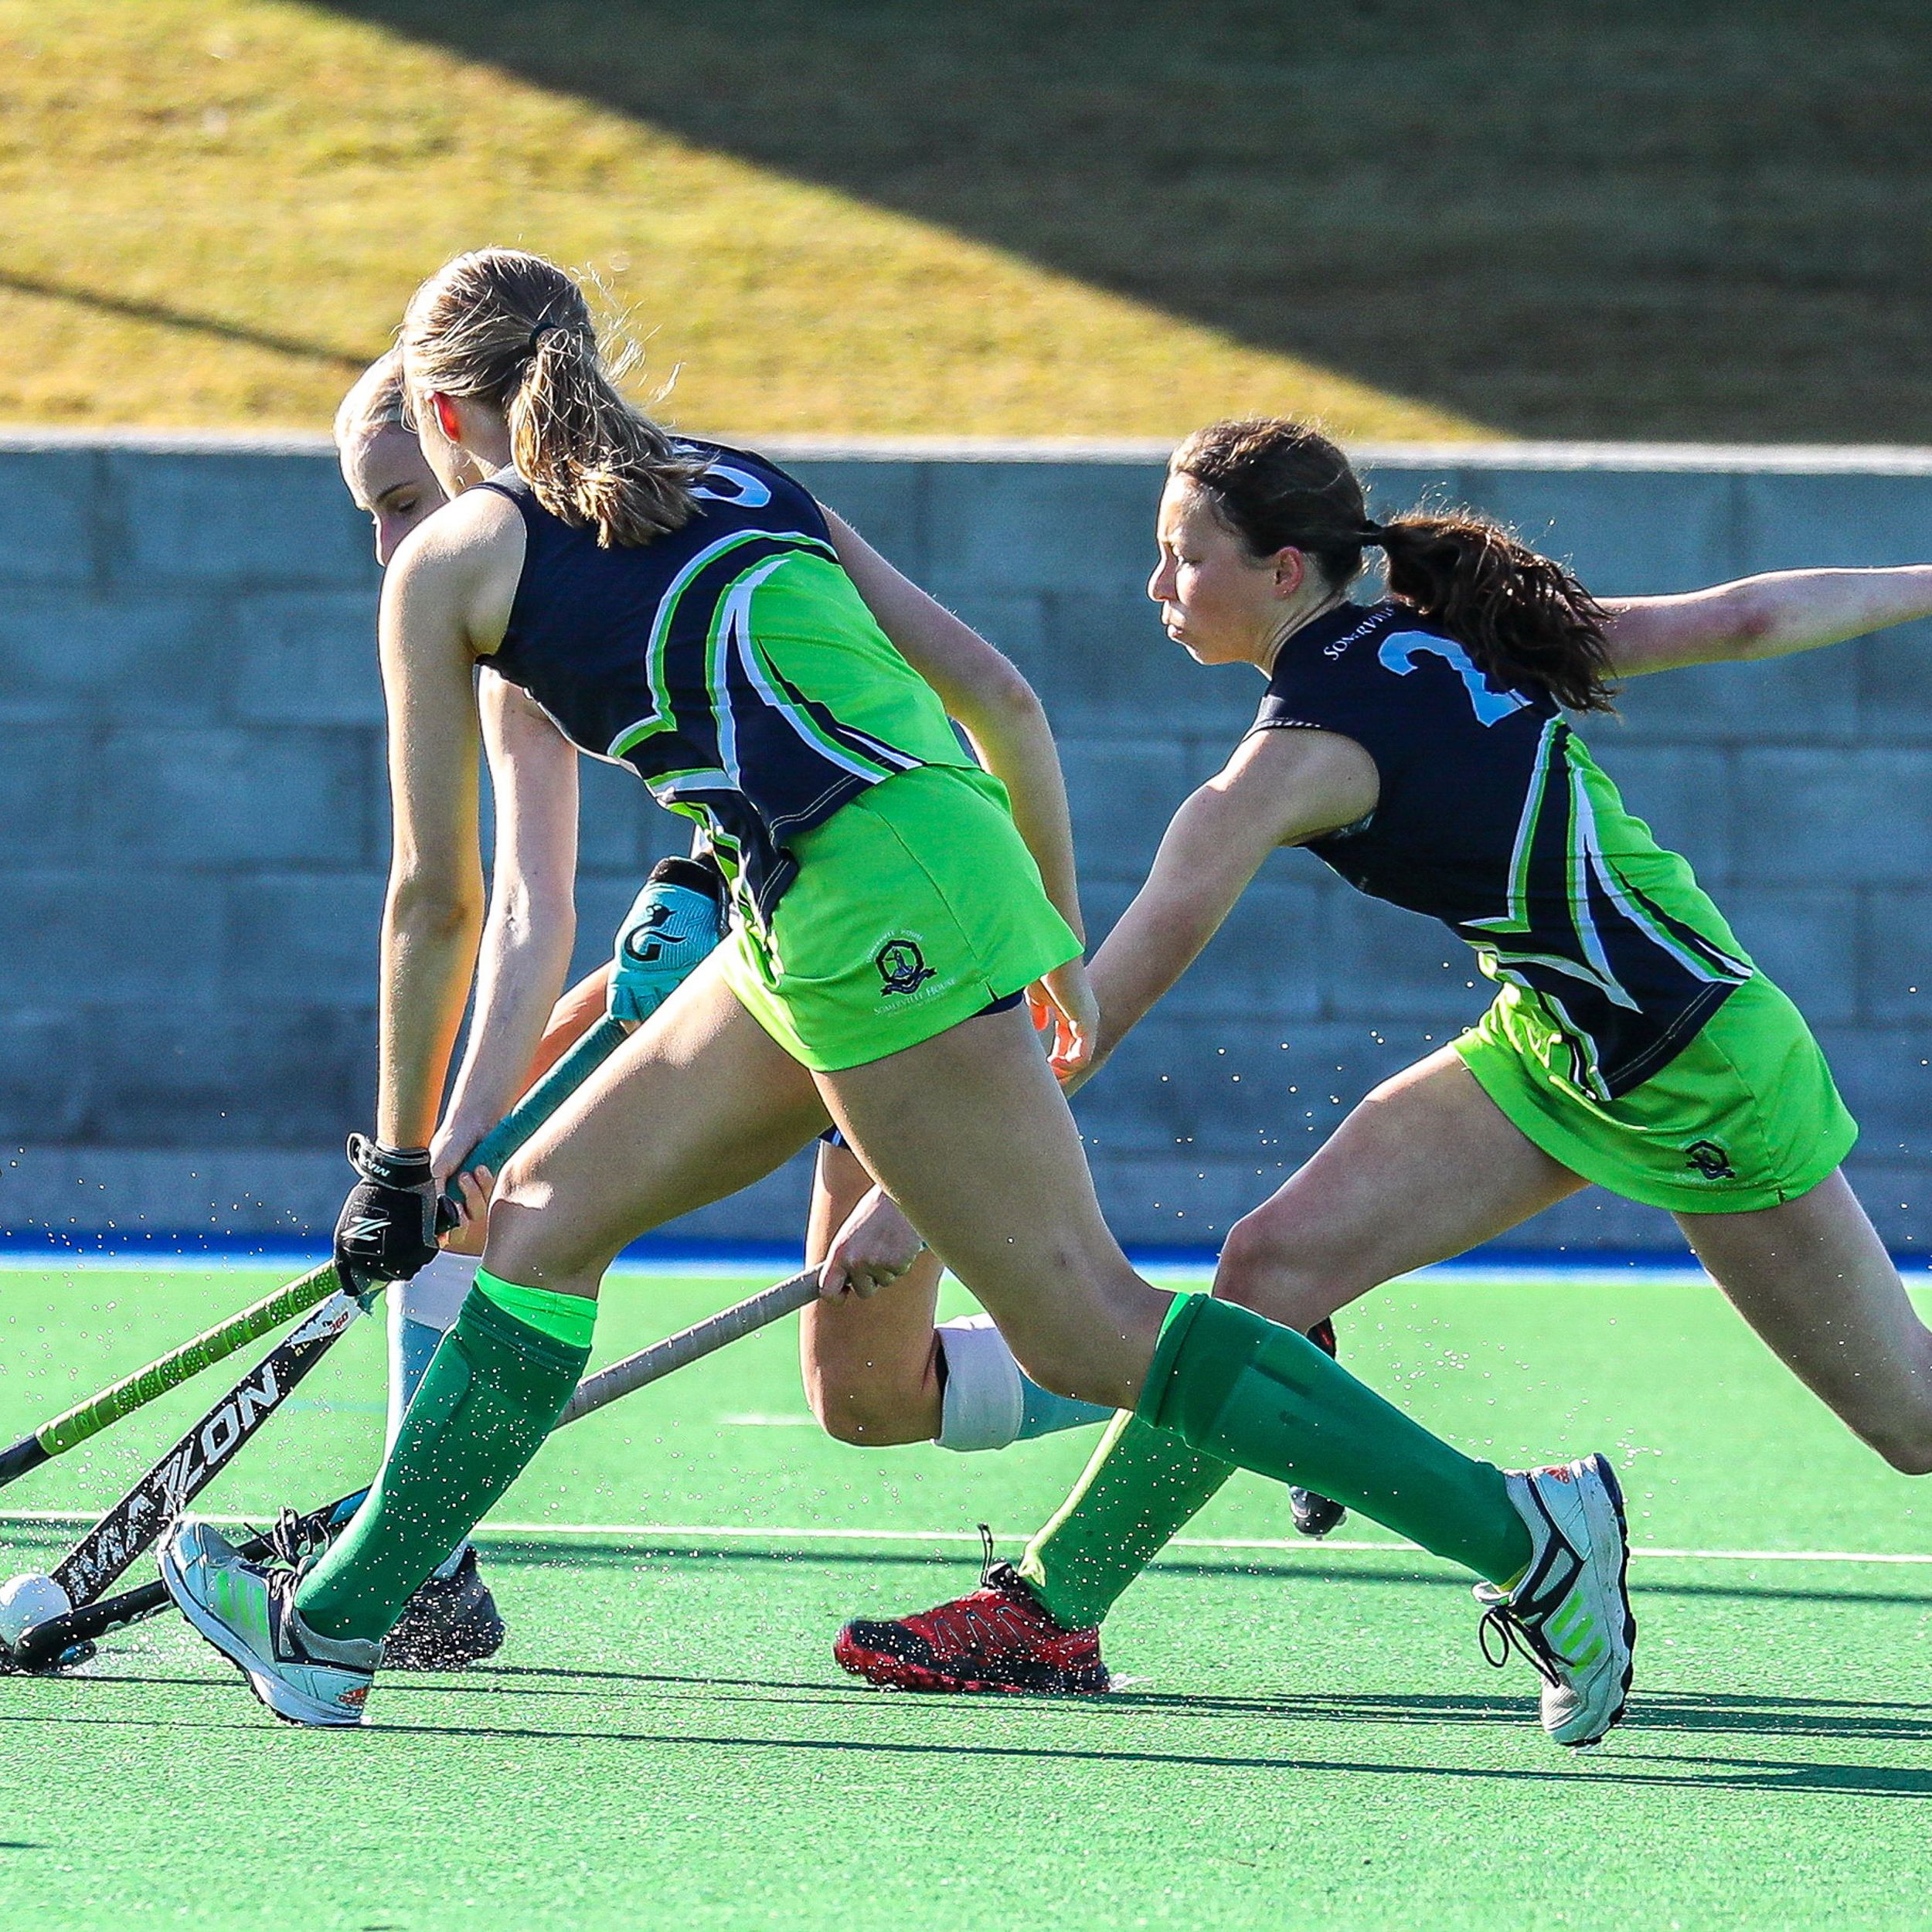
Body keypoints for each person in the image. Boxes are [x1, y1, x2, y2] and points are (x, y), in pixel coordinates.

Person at [159, 252, 1632, 1744]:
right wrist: (1050, 926)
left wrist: (399, 1157)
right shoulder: (733, 478)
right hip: (835, 900)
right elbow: (1002, 698)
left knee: (1084, 1328)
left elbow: (438, 899)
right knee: (542, 1217)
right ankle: (336, 1629)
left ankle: (1528, 1536)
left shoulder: (450, 563)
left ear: (436, 411)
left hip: (871, 918)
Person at [836, 415, 1932, 1698]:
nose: (1156, 585)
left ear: (1283, 569)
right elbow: (1741, 619)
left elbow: (1091, 1015)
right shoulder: (1451, 630)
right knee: (1270, 1271)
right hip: (1549, 1046)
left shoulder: (1280, 771)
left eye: (1185, 556)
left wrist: (915, 1195)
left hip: (1699, 1069)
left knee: (1911, 1419)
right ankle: (1053, 1610)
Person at [337, 354, 1116, 1519]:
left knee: (1053, 1332)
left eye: (406, 501)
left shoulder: (636, 529)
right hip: (790, 961)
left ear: (468, 440)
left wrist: (438, 1150)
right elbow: (529, 905)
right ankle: (425, 1556)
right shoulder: (502, 622)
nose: (393, 546)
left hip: (882, 952)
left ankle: (1232, 1350)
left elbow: (951, 712)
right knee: (864, 1397)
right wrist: (451, 1141)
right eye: (372, 515)